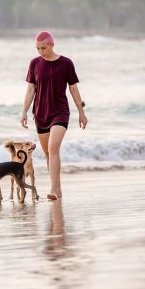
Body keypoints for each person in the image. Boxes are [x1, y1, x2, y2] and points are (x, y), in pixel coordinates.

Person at [19, 31, 86, 200]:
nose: (40, 51)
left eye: (43, 47)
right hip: (41, 113)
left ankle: (53, 190)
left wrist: (81, 112)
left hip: (60, 112)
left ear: (52, 45)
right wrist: (24, 111)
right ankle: (58, 189)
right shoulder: (34, 63)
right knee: (49, 155)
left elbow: (73, 88)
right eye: (37, 48)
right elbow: (30, 90)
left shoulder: (66, 63)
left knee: (53, 148)